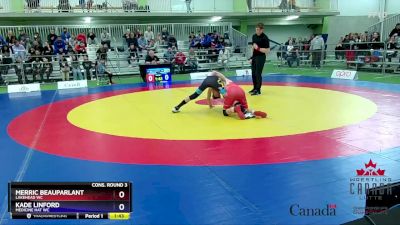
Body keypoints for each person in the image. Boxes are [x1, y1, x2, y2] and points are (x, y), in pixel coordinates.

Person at [249, 23, 270, 96]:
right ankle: (254, 88)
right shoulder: (254, 36)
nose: (257, 31)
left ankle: (258, 90)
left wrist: (258, 48)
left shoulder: (265, 38)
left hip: (261, 57)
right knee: (253, 73)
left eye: (258, 30)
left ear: (262, 30)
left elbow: (267, 50)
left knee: (258, 73)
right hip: (254, 57)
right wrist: (251, 57)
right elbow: (253, 47)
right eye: (256, 29)